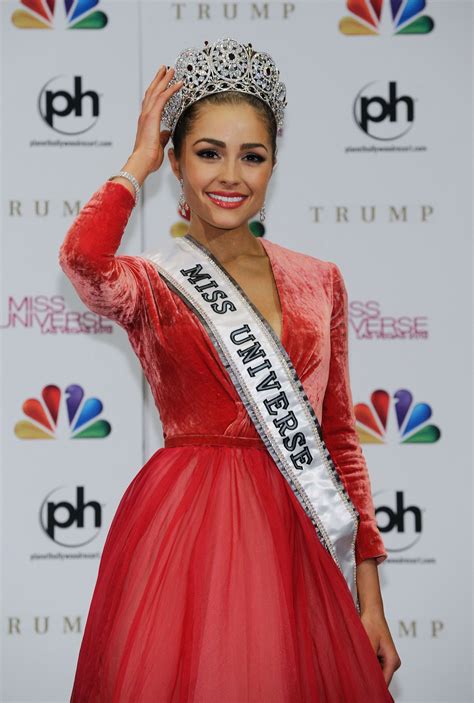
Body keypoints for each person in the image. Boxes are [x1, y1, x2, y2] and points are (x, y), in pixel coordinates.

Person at [59, 37, 401, 702]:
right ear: (179, 163)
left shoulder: (319, 281)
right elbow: (84, 264)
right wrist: (136, 161)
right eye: (209, 152)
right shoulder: (153, 282)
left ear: (274, 165)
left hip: (298, 537)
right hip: (187, 532)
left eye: (253, 156)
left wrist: (371, 597)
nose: (231, 175)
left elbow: (339, 442)